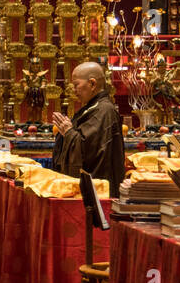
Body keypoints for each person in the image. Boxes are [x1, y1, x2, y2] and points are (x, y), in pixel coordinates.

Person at [51, 61, 125, 189]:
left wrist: (69, 132)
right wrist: (67, 133)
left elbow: (89, 150)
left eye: (76, 85)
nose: (74, 91)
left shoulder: (104, 110)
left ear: (92, 83)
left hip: (99, 188)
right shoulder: (93, 108)